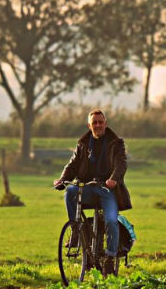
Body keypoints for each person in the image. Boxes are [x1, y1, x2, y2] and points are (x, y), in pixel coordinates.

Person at [53, 109, 132, 276]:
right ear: (89, 126)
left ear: (105, 123)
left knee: (111, 221)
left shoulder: (116, 143)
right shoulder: (83, 143)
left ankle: (110, 259)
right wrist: (62, 180)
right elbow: (72, 164)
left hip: (107, 189)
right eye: (94, 123)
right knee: (70, 192)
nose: (97, 125)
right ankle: (75, 229)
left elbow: (121, 164)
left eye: (100, 122)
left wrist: (114, 179)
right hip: (87, 187)